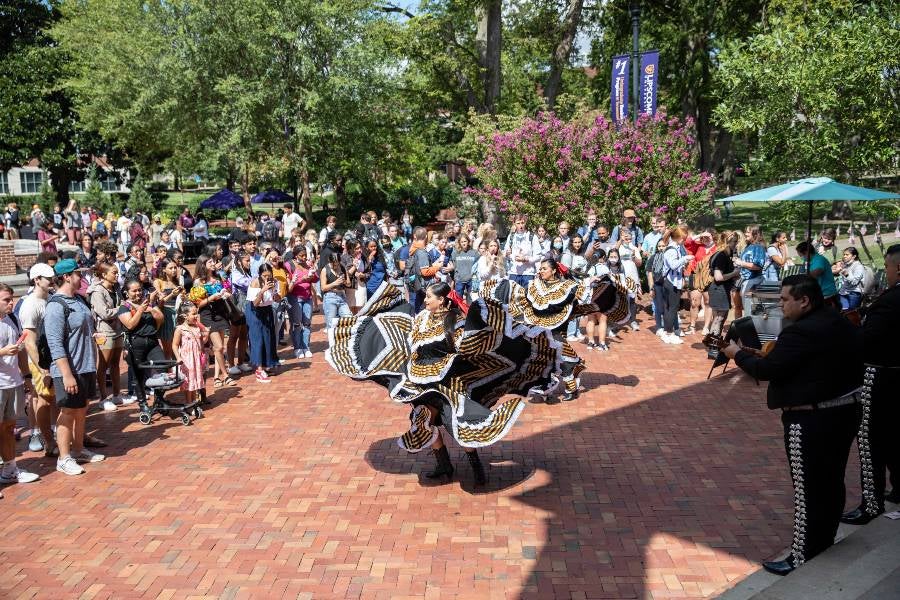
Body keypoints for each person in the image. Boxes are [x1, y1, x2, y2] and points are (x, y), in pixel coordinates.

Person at [722, 275, 862, 576]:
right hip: (843, 413)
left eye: (785, 299)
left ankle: (803, 551)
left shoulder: (800, 333)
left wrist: (736, 355)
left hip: (811, 419)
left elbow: (767, 369)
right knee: (831, 480)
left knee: (808, 487)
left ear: (804, 301)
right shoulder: (836, 321)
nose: (781, 305)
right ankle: (825, 538)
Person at [841, 244, 900, 525]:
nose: (886, 272)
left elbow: (866, 341)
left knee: (870, 440)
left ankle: (871, 502)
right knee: (893, 437)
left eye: (887, 267)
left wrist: (855, 328)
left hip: (881, 374)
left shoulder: (889, 301)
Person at [45, 258, 105, 476]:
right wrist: (67, 374)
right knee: (68, 412)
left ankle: (79, 450)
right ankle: (63, 457)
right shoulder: (56, 305)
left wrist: (93, 336)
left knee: (81, 411)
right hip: (69, 370)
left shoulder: (79, 301)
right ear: (66, 277)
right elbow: (54, 343)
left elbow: (81, 329)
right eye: (78, 274)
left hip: (86, 366)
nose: (82, 277)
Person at [0, 283, 39, 491]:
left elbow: (21, 351)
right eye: (6, 299)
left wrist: (26, 377)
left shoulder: (12, 319)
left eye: (11, 298)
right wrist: (3, 351)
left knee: (8, 428)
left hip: (12, 382)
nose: (11, 303)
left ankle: (9, 470)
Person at [19, 263, 59, 455]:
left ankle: (57, 436)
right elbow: (29, 341)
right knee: (43, 399)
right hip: (40, 361)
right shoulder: (30, 304)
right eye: (47, 278)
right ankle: (49, 442)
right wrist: (42, 368)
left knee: (56, 399)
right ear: (37, 280)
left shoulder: (50, 298)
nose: (51, 280)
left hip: (53, 356)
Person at [117, 278, 165, 408]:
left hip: (152, 341)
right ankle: (143, 403)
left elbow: (160, 317)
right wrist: (140, 310)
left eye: (139, 290)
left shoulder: (147, 303)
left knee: (163, 368)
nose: (138, 293)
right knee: (138, 375)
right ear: (127, 293)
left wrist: (151, 310)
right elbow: (130, 324)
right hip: (135, 343)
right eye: (134, 291)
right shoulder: (124, 307)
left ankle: (159, 400)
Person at [88, 263, 128, 411]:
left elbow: (121, 303)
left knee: (115, 364)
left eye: (117, 273)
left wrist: (121, 307)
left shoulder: (116, 288)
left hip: (117, 329)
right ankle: (103, 398)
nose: (117, 275)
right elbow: (104, 313)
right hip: (104, 332)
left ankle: (117, 395)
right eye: (114, 273)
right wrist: (122, 308)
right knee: (104, 365)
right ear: (104, 275)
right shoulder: (98, 292)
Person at [245, 264, 280, 383]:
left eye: (268, 275)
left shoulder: (274, 282)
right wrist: (263, 290)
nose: (266, 278)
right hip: (255, 312)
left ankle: (266, 365)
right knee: (257, 340)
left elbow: (277, 299)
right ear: (260, 275)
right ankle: (259, 369)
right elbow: (254, 303)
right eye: (264, 276)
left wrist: (275, 293)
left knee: (268, 337)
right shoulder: (255, 283)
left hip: (267, 310)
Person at [660, 226, 695, 345]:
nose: (684, 241)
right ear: (679, 238)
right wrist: (685, 258)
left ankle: (669, 331)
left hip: (674, 281)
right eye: (683, 238)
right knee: (672, 308)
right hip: (671, 282)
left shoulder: (677, 248)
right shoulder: (671, 250)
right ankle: (669, 333)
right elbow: (673, 265)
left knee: (671, 308)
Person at [172, 302, 208, 406]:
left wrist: (206, 335)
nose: (196, 316)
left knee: (195, 381)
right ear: (185, 316)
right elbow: (174, 345)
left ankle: (194, 401)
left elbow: (201, 342)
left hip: (196, 359)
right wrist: (178, 357)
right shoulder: (180, 329)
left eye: (196, 313)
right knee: (189, 382)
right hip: (187, 360)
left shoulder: (197, 328)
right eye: (193, 314)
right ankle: (189, 403)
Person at [705, 232, 740, 337]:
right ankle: (713, 344)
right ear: (727, 242)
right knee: (718, 319)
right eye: (734, 241)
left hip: (721, 289)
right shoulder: (721, 255)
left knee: (720, 318)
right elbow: (718, 276)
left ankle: (714, 344)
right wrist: (734, 273)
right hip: (718, 290)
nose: (736, 244)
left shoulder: (726, 254)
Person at [285, 247, 317, 359]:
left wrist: (313, 272)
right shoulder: (289, 265)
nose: (304, 258)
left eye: (305, 255)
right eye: (301, 255)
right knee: (297, 323)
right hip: (295, 297)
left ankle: (306, 346)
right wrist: (302, 279)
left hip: (307, 297)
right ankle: (297, 347)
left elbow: (316, 279)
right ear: (295, 255)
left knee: (307, 322)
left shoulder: (307, 264)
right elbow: (288, 284)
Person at [795, 242, 838, 307]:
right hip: (819, 293)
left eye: (801, 255)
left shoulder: (818, 259)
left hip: (827, 294)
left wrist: (801, 277)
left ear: (807, 252)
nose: (801, 257)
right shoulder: (809, 261)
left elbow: (817, 272)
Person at [735, 225, 766, 315]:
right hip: (746, 281)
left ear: (755, 234)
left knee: (750, 311)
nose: (745, 234)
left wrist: (741, 263)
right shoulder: (749, 246)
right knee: (747, 309)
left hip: (753, 281)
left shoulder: (758, 247)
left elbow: (758, 266)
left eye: (748, 232)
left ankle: (751, 328)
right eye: (746, 232)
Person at [504, 215, 541, 287]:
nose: (521, 226)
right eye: (518, 223)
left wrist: (525, 259)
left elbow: (538, 256)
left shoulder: (532, 236)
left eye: (522, 223)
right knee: (513, 297)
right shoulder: (511, 236)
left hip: (528, 274)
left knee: (527, 296)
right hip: (514, 273)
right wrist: (508, 254)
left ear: (525, 223)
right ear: (514, 223)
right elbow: (506, 253)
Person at [320, 250, 352, 330]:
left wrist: (344, 281)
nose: (336, 266)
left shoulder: (342, 267)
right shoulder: (325, 270)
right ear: (329, 261)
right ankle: (332, 342)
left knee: (348, 319)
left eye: (337, 264)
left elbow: (349, 284)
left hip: (342, 296)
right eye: (333, 264)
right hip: (330, 297)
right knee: (331, 325)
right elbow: (323, 288)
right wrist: (335, 283)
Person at [450, 234, 478, 300]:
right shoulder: (455, 253)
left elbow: (477, 266)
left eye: (465, 241)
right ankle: (458, 310)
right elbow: (454, 265)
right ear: (459, 243)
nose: (463, 243)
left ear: (468, 241)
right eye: (462, 242)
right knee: (458, 299)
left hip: (471, 279)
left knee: (471, 299)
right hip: (459, 279)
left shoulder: (474, 253)